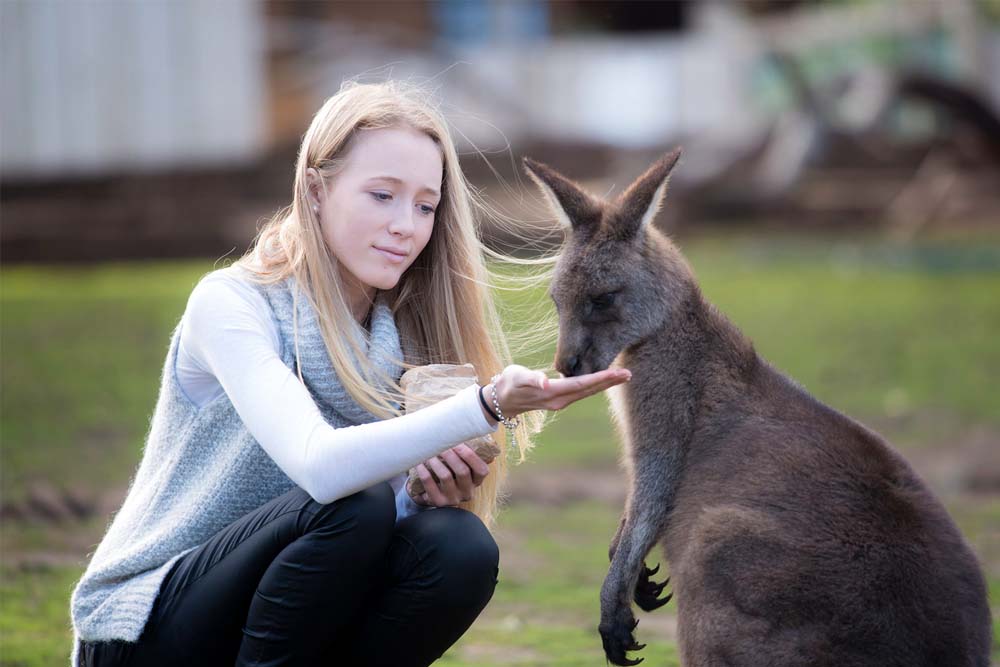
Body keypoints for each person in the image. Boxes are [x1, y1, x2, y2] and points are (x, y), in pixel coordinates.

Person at [68, 80, 630, 667]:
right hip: (143, 631)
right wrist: (485, 404)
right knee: (352, 504)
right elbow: (321, 468)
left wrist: (420, 495)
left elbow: (349, 541)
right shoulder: (233, 305)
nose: (406, 226)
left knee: (457, 548)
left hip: (276, 621)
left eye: (424, 205)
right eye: (382, 195)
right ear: (316, 189)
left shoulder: (409, 340)